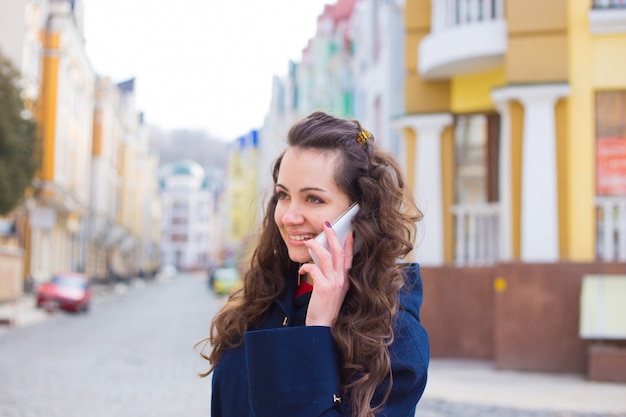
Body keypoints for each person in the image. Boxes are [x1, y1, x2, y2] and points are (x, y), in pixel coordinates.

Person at [197, 111, 429, 417]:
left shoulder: (394, 333)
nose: (289, 216)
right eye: (283, 195)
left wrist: (316, 331)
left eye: (313, 199)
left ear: (361, 213)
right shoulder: (261, 303)